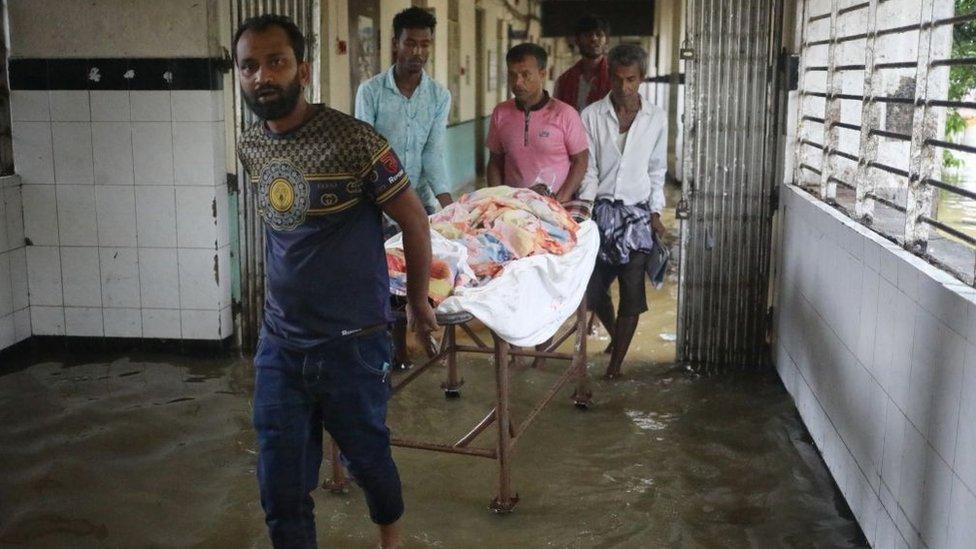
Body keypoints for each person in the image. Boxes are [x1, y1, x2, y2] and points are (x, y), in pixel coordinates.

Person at [233, 14, 438, 549]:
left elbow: (415, 221)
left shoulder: (355, 141)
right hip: (280, 345)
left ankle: (390, 537)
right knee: (279, 487)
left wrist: (417, 305)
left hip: (352, 343)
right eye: (248, 66)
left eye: (275, 62)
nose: (262, 77)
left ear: (302, 68)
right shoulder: (250, 147)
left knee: (368, 460)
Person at [355, 6, 452, 372]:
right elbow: (364, 153)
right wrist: (381, 201)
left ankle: (424, 330)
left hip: (417, 202)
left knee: (426, 273)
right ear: (395, 44)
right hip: (375, 203)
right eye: (410, 43)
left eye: (425, 45)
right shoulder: (371, 92)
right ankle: (394, 347)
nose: (418, 52)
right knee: (383, 275)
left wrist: (448, 206)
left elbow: (433, 155)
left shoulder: (438, 97)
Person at [578, 44, 667, 380]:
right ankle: (616, 336)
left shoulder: (655, 118)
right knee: (593, 288)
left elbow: (657, 169)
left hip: (637, 214)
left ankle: (615, 368)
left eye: (631, 80)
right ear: (609, 77)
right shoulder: (590, 116)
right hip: (600, 211)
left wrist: (656, 212)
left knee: (632, 291)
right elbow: (589, 170)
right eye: (618, 79)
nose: (624, 87)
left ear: (641, 78)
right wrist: (584, 211)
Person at [486, 42, 588, 205]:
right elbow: (495, 161)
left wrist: (561, 198)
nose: (518, 82)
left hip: (556, 206)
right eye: (512, 75)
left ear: (543, 74)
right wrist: (499, 200)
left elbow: (581, 160)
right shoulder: (501, 113)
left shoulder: (565, 114)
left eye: (526, 75)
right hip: (514, 208)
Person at [554, 15, 611, 112]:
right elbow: (557, 115)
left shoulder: (616, 78)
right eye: (588, 35)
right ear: (577, 40)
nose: (594, 39)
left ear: (607, 40)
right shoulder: (563, 81)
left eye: (599, 34)